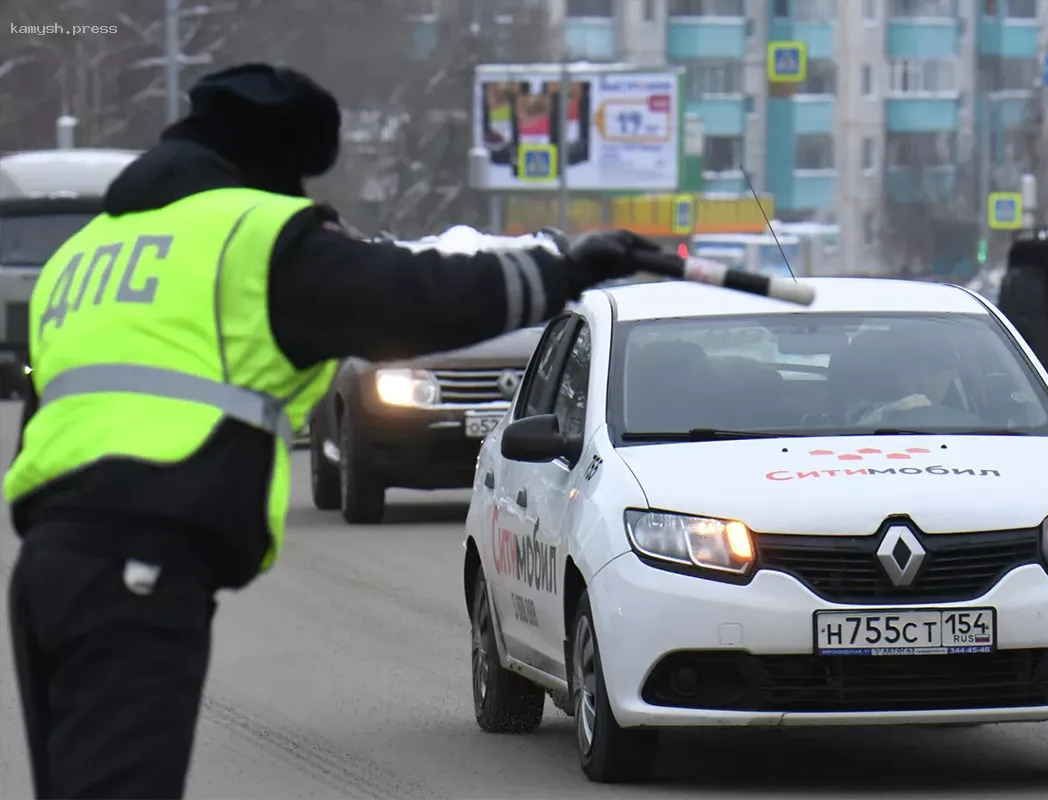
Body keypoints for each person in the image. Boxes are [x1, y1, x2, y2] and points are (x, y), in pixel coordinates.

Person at [3, 63, 661, 800]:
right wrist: (559, 269)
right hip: (141, 564)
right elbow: (417, 299)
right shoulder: (249, 238)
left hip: (48, 570)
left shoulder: (84, 256)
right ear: (272, 163)